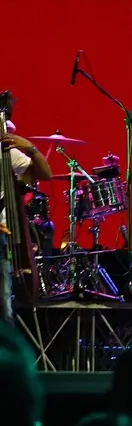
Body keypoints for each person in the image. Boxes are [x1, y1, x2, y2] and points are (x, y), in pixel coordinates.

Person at [0, 121, 52, 323]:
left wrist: (31, 148)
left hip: (2, 234)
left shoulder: (6, 153)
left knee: (4, 304)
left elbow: (45, 174)